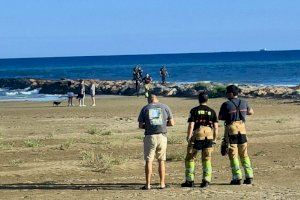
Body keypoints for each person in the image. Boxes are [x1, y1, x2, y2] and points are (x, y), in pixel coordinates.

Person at [181, 91, 218, 188]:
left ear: (198, 99)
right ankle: (206, 180)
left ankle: (189, 180)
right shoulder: (212, 111)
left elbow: (191, 125)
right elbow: (216, 127)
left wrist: (189, 137)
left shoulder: (194, 110)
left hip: (198, 135)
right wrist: (215, 138)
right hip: (209, 135)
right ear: (207, 100)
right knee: (207, 158)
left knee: (190, 158)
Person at [218, 85, 254, 185]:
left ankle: (237, 177)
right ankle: (249, 176)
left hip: (232, 128)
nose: (226, 94)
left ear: (231, 93)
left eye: (227, 92)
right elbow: (251, 112)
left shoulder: (226, 104)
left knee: (233, 154)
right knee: (244, 154)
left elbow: (220, 117)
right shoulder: (244, 102)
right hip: (242, 128)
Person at [138, 94, 175, 190]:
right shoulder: (165, 107)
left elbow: (141, 125)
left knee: (149, 160)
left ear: (149, 100)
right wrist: (163, 124)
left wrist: (149, 125)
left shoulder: (145, 108)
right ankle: (162, 183)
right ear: (157, 99)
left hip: (150, 136)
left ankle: (148, 184)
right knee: (161, 161)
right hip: (162, 136)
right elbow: (172, 123)